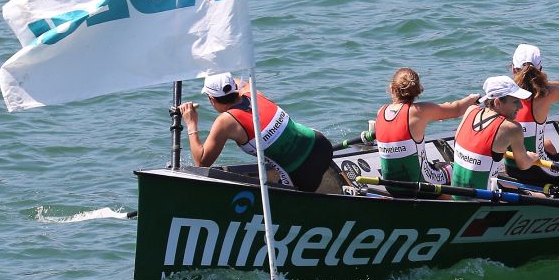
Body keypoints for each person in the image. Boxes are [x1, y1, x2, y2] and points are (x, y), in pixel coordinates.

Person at [178, 73, 344, 193]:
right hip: (321, 145)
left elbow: (201, 162)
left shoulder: (225, 121)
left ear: (211, 99)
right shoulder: (252, 92)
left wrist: (191, 122)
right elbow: (237, 82)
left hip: (301, 172)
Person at [505, 43, 559, 186]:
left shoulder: (503, 95)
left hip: (512, 168)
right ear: (540, 70)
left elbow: (557, 84)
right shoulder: (545, 94)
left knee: (548, 144)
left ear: (514, 69)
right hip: (540, 169)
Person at [374, 68, 478, 187]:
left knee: (434, 165)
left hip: (390, 186)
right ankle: (453, 196)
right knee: (458, 169)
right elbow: (456, 109)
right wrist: (472, 98)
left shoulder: (381, 111)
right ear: (417, 90)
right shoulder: (419, 111)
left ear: (392, 88)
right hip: (420, 185)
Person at [450, 76, 540, 191]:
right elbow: (523, 164)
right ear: (497, 102)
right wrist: (531, 158)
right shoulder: (512, 128)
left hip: (455, 194)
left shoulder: (471, 110)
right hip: (482, 199)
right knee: (541, 196)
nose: (520, 106)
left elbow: (458, 141)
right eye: (515, 101)